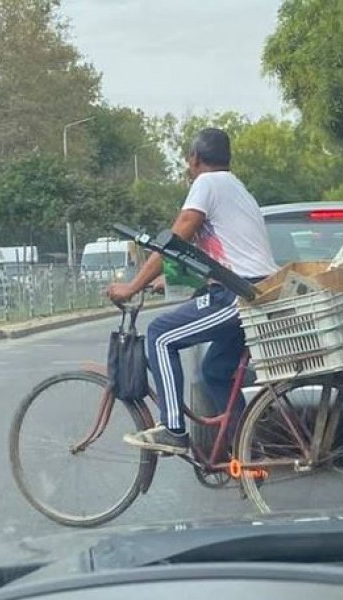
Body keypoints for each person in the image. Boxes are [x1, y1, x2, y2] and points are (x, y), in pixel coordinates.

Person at [106, 128, 278, 454]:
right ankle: (246, 452)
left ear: (195, 159)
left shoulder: (206, 183)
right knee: (215, 371)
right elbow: (218, 256)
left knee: (160, 334)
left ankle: (173, 429)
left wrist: (132, 286)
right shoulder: (237, 188)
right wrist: (165, 282)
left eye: (189, 161)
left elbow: (176, 239)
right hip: (254, 291)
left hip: (238, 295)